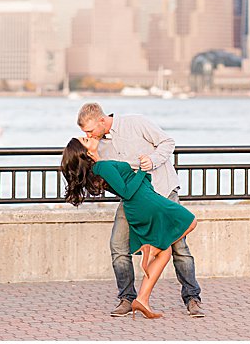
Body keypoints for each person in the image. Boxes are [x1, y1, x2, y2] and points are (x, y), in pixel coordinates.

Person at [77, 102, 206, 318]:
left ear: (101, 120)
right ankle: (127, 298)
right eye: (84, 133)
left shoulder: (135, 123)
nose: (88, 135)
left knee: (179, 248)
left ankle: (192, 298)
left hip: (163, 191)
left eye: (89, 130)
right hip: (134, 201)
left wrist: (152, 161)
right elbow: (114, 181)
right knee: (118, 246)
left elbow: (167, 142)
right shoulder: (97, 147)